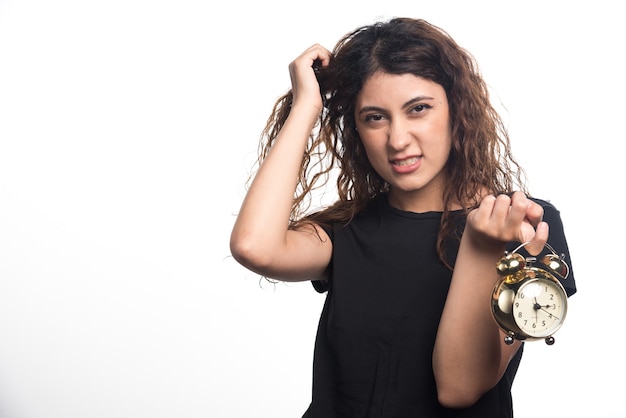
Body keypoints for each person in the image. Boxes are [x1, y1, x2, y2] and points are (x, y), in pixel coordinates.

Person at [230, 17, 577, 417]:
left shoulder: (519, 222)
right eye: (374, 117)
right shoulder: (346, 231)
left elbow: (459, 387)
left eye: (418, 109)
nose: (397, 140)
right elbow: (253, 246)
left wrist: (481, 247)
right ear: (355, 128)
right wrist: (307, 104)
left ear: (456, 108)